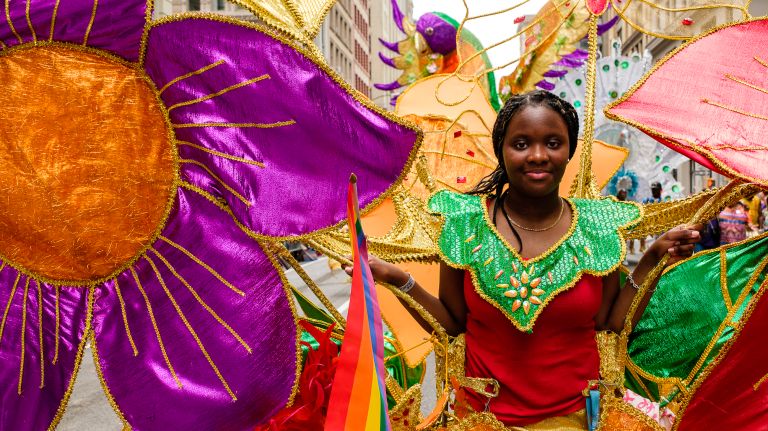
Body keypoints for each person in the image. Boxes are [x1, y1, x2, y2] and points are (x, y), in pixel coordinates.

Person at [346, 91, 700, 429]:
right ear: (502, 151)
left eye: (552, 143)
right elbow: (453, 325)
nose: (537, 155)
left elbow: (611, 325)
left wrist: (654, 257)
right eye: (521, 144)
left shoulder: (597, 226)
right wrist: (397, 280)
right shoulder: (465, 223)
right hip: (483, 421)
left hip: (579, 419)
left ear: (568, 151)